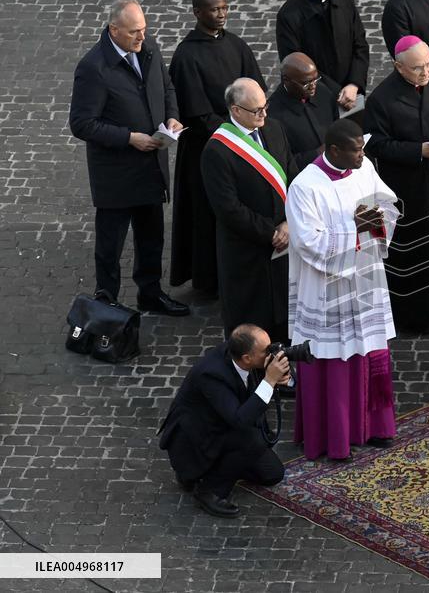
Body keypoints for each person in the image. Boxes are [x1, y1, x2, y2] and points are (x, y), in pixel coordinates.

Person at [286, 119, 400, 460]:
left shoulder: (363, 169)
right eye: (355, 150)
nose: (362, 156)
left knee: (369, 347)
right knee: (333, 357)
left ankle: (375, 426)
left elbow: (388, 204)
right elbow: (309, 242)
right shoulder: (305, 186)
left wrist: (376, 222)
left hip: (365, 278)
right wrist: (359, 229)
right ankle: (334, 435)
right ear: (333, 150)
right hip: (327, 285)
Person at [69, 0, 189, 316]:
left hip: (150, 166)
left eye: (144, 29)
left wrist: (173, 117)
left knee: (152, 238)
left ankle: (151, 294)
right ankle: (106, 302)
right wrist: (129, 138)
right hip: (117, 175)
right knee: (111, 244)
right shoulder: (93, 68)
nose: (142, 37)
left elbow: (166, 88)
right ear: (114, 30)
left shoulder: (146, 47)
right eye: (135, 31)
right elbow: (82, 124)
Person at [364, 36, 429, 333]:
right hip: (408, 185)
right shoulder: (381, 99)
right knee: (415, 249)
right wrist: (417, 151)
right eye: (418, 68)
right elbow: (377, 144)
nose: (426, 72)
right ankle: (417, 315)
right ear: (399, 67)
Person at [169, 0, 265, 296]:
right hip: (207, 149)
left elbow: (257, 89)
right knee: (207, 216)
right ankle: (209, 281)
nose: (221, 14)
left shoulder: (237, 46)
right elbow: (197, 115)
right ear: (198, 12)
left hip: (245, 144)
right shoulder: (187, 55)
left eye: (224, 7)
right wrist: (236, 134)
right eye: (214, 9)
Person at [200, 78, 299, 342]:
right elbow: (228, 209)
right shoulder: (217, 151)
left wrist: (289, 222)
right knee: (252, 320)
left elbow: (291, 176)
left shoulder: (274, 128)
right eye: (256, 111)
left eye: (265, 107)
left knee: (285, 313)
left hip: (284, 239)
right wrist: (271, 232)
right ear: (235, 110)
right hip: (246, 250)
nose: (264, 114)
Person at [158, 324, 290, 518]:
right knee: (252, 440)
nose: (271, 355)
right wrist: (269, 381)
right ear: (247, 358)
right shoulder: (212, 374)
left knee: (272, 473)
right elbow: (240, 420)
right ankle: (210, 491)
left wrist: (274, 381)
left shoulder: (243, 358)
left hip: (222, 427)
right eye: (266, 351)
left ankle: (225, 466)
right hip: (197, 444)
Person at [276, 0, 369, 112]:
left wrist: (354, 84)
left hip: (352, 95)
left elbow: (360, 45)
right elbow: (294, 66)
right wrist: (337, 93)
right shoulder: (289, 15)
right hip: (316, 102)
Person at [267, 52, 340, 170]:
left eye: (315, 79)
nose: (313, 86)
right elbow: (281, 161)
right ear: (286, 80)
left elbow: (336, 122)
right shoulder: (272, 116)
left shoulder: (323, 92)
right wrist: (316, 154)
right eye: (306, 83)